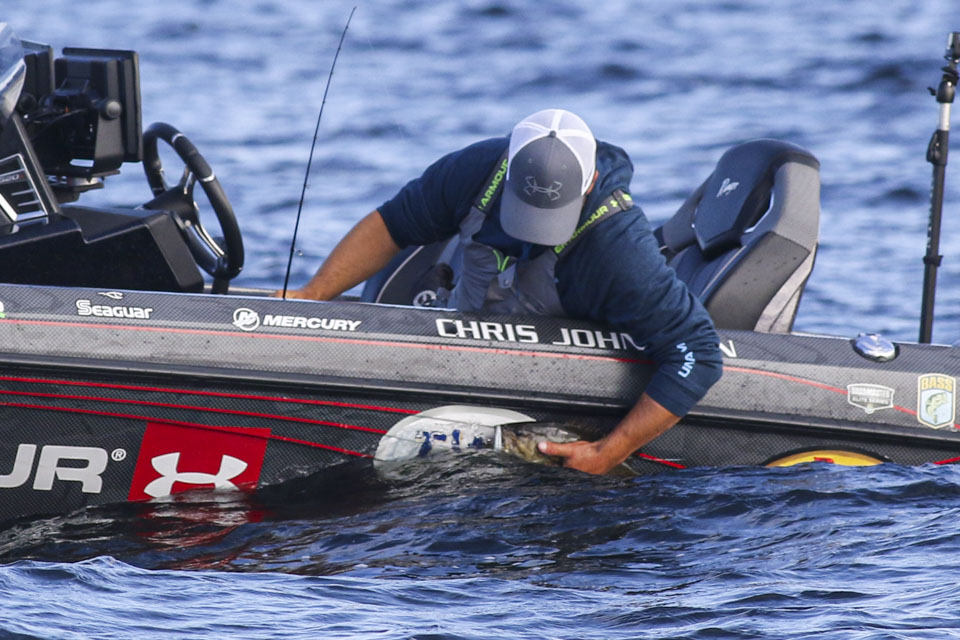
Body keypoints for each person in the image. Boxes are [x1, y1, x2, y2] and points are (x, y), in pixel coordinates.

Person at [280, 108, 723, 474]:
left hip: (544, 377)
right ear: (508, 169)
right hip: (461, 343)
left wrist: (609, 452)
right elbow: (393, 223)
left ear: (588, 184)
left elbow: (697, 352)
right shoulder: (474, 169)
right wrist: (314, 294)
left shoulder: (620, 250)